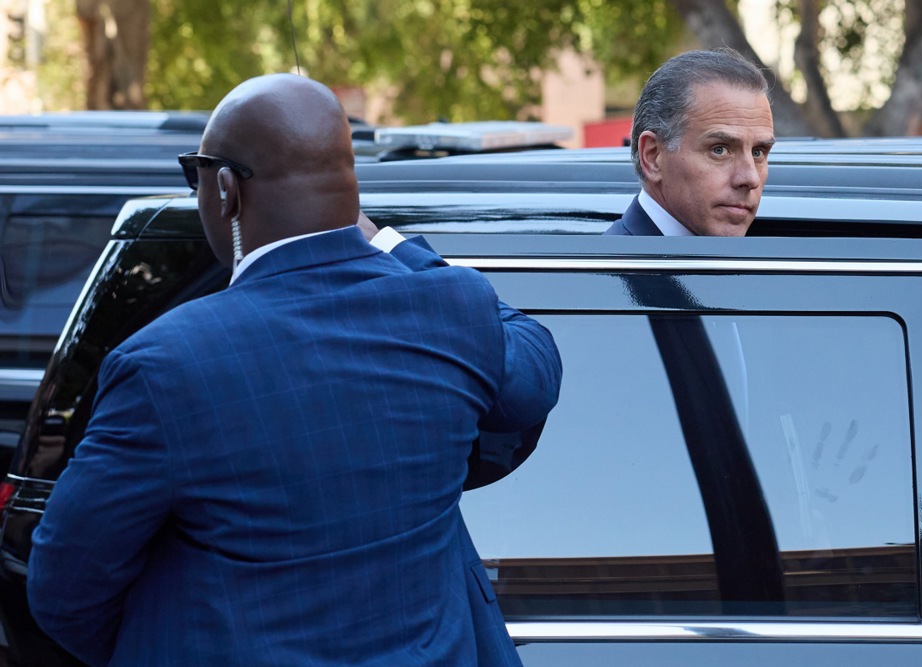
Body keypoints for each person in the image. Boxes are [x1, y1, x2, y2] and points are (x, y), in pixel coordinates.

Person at [27, 73, 561, 666]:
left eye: (196, 175)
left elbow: (63, 591)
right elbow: (535, 373)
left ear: (226, 189)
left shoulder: (165, 366)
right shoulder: (451, 309)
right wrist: (393, 245)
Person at [605, 48, 775, 237]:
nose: (751, 178)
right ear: (652, 157)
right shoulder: (611, 256)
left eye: (758, 152)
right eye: (719, 150)